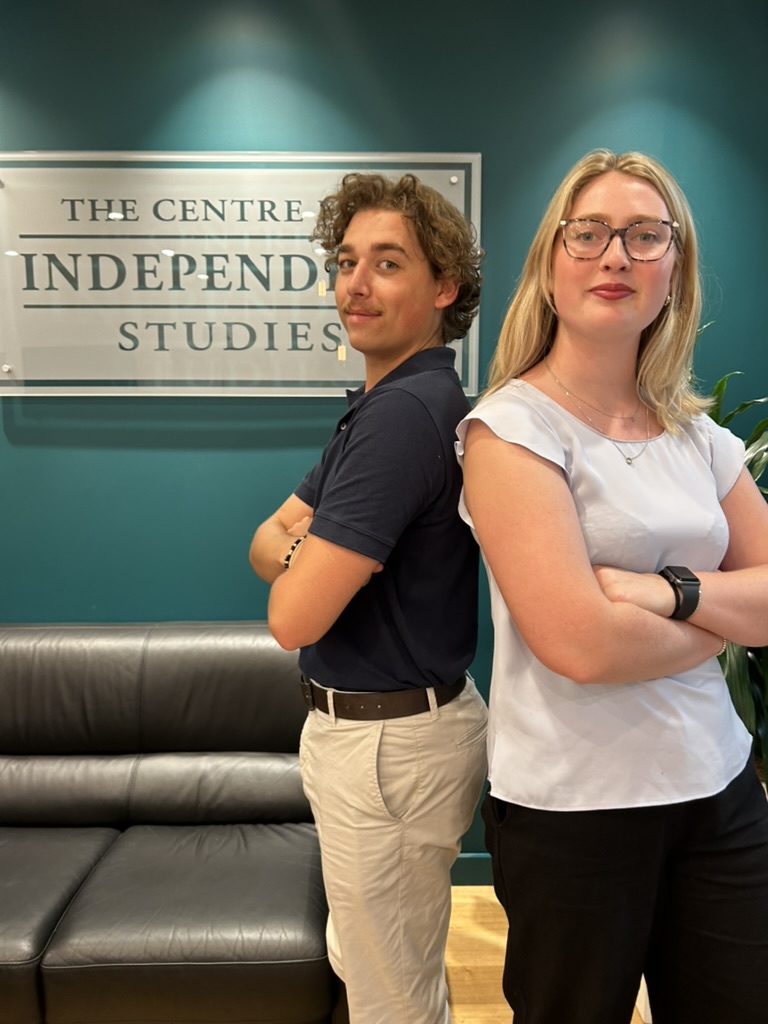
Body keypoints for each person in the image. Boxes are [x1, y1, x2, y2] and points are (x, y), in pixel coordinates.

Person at [456, 149, 768, 1024]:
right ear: (551, 265)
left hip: (718, 788)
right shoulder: (511, 428)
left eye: (645, 236)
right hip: (575, 811)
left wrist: (669, 594)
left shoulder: (697, 437)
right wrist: (727, 613)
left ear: (675, 270)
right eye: (588, 233)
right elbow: (582, 646)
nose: (616, 256)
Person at [249, 172, 488, 1024]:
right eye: (347, 261)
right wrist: (312, 551)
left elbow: (292, 616)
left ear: (444, 287)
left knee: (390, 997)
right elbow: (263, 539)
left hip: (386, 747)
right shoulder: (387, 405)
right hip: (385, 733)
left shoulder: (403, 417)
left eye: (389, 263)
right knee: (391, 969)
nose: (356, 283)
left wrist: (302, 555)